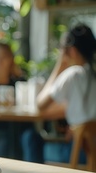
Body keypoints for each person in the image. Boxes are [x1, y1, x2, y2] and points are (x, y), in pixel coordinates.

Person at [34, 24, 96, 163]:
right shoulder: (92, 74)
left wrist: (59, 66)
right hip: (92, 151)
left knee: (33, 142)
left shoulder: (73, 74)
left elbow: (40, 104)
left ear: (72, 51)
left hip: (80, 153)